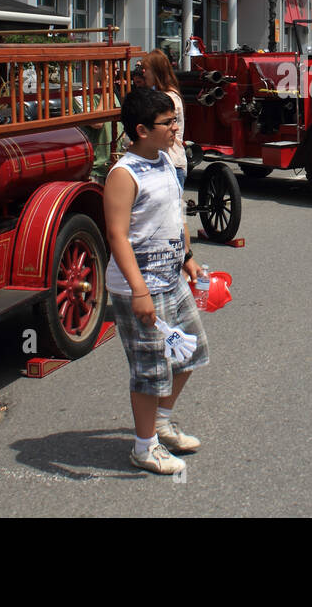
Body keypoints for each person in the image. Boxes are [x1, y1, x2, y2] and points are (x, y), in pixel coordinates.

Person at [104, 87, 208, 475]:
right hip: (141, 286)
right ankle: (144, 447)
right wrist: (139, 291)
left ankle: (162, 423)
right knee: (150, 370)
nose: (175, 128)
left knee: (191, 352)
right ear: (142, 129)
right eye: (168, 123)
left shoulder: (165, 161)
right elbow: (117, 236)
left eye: (175, 120)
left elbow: (174, 213)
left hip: (172, 279)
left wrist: (189, 258)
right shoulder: (123, 174)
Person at [142, 49, 187, 189]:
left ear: (156, 71)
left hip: (171, 164)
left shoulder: (168, 98)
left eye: (146, 69)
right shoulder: (166, 94)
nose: (143, 73)